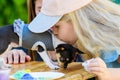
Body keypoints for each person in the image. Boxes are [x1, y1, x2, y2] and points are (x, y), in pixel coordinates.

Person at [28, 0, 120, 80]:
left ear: (77, 20)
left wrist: (108, 74)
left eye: (57, 26)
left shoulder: (111, 36)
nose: (54, 32)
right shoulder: (83, 41)